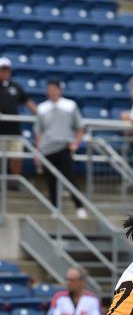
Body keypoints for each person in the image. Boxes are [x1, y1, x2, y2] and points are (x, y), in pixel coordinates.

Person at [35, 80, 86, 217]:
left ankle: (79, 207)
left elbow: (80, 127)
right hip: (47, 149)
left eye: (53, 88)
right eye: (49, 89)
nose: (51, 91)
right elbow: (39, 132)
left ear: (59, 90)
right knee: (51, 181)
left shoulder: (70, 105)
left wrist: (75, 143)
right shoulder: (42, 108)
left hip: (64, 147)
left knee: (70, 179)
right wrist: (38, 151)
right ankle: (55, 209)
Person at [0, 57, 37, 176]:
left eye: (6, 70)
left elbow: (28, 101)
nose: (4, 72)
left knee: (16, 156)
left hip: (14, 129)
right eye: (2, 70)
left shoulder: (16, 86)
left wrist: (39, 114)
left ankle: (14, 181)